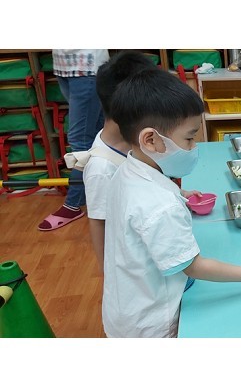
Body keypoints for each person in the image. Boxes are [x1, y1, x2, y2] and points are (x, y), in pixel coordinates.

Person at [103, 68, 241, 338]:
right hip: (153, 322)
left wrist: (179, 194)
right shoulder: (160, 206)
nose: (193, 147)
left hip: (125, 307)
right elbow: (193, 266)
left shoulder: (126, 172)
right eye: (189, 138)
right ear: (151, 140)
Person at [64, 51, 201, 275]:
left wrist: (179, 193)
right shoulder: (102, 168)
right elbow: (100, 223)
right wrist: (107, 273)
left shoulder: (134, 146)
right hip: (139, 268)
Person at [38, 49, 110, 231]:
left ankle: (73, 205)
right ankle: (109, 195)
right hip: (64, 66)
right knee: (98, 135)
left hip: (86, 67)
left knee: (80, 141)